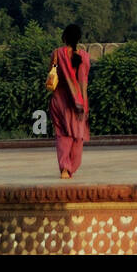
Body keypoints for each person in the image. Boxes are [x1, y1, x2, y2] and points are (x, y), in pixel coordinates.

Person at [48, 23, 90, 179]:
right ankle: (71, 166)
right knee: (77, 135)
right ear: (78, 38)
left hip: (59, 100)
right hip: (78, 101)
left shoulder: (57, 53)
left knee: (63, 134)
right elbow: (84, 81)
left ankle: (65, 168)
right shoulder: (84, 57)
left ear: (64, 37)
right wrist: (83, 103)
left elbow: (52, 73)